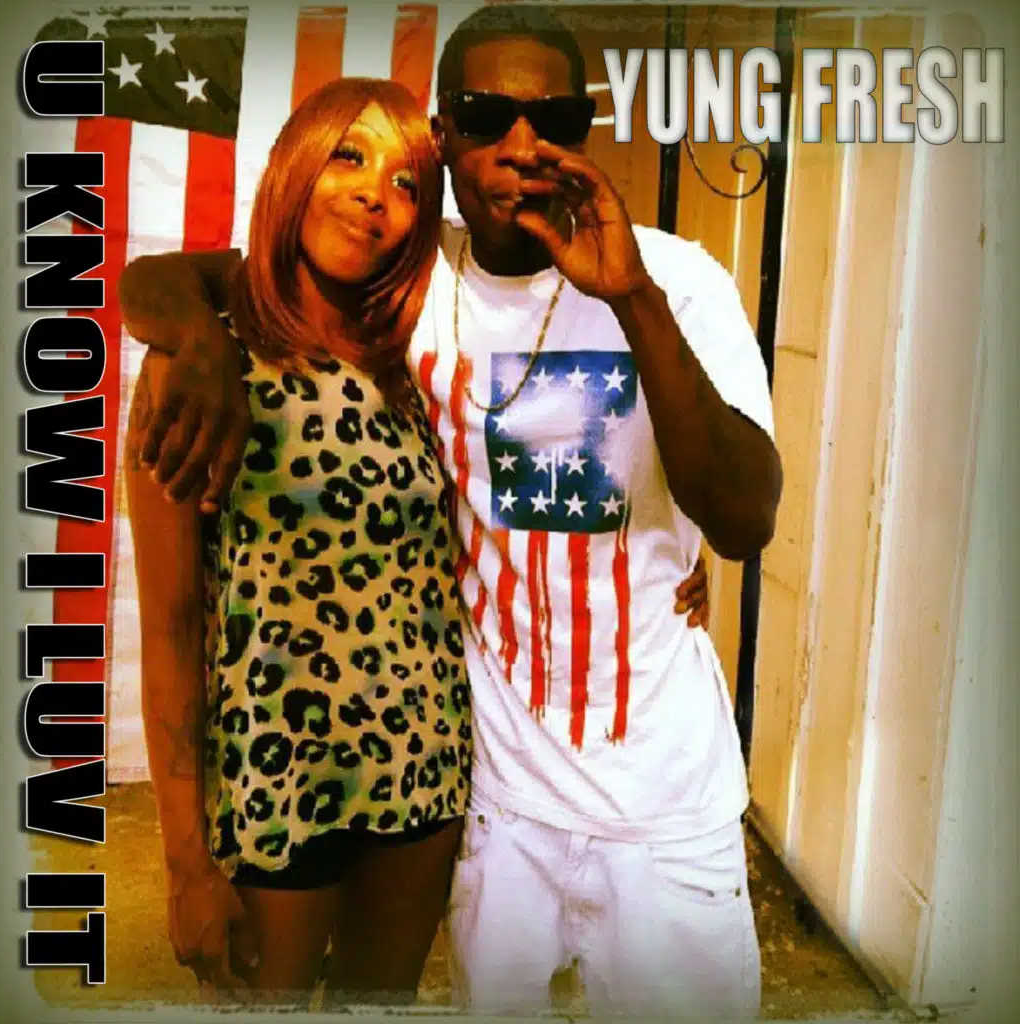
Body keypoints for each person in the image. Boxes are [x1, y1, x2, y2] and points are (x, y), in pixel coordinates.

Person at [118, 5, 777, 1018]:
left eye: (556, 119)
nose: (523, 145)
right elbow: (194, 278)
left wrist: (631, 297)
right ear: (448, 137)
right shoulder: (414, 289)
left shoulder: (678, 281)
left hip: (657, 803)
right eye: (485, 115)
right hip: (497, 807)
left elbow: (743, 519)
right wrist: (196, 339)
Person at [125, 76, 469, 1010]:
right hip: (274, 784)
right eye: (348, 156)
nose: (374, 194)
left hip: (422, 774)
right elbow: (170, 627)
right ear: (293, 169)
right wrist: (187, 863)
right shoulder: (199, 366)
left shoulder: (415, 363)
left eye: (406, 183)